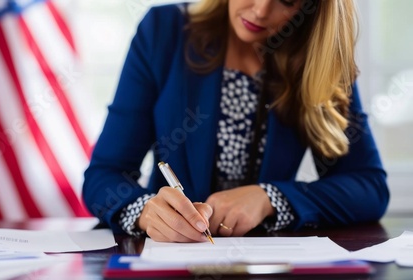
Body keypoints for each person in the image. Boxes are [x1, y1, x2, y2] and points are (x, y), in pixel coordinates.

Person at [82, 0, 389, 242]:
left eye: (286, 0)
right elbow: (103, 176)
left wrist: (271, 197)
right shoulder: (164, 30)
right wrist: (145, 212)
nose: (260, 9)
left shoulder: (319, 59)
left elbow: (369, 187)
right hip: (170, 258)